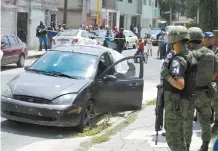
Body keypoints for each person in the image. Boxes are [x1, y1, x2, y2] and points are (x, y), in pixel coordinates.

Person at [161, 26, 198, 151]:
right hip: (184, 102)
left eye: (172, 43)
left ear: (176, 42)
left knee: (173, 139)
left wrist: (166, 76)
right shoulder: (190, 56)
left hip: (175, 104)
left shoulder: (178, 60)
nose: (171, 45)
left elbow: (180, 84)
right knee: (180, 137)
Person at [184, 27, 218, 151]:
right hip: (205, 92)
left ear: (189, 40)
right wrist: (208, 80)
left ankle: (186, 146)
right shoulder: (211, 54)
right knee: (206, 122)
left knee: (187, 123)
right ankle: (204, 146)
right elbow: (216, 72)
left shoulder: (187, 54)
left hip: (189, 94)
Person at [211, 30, 218, 133]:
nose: (212, 39)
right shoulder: (215, 49)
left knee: (216, 102)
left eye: (214, 37)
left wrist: (213, 77)